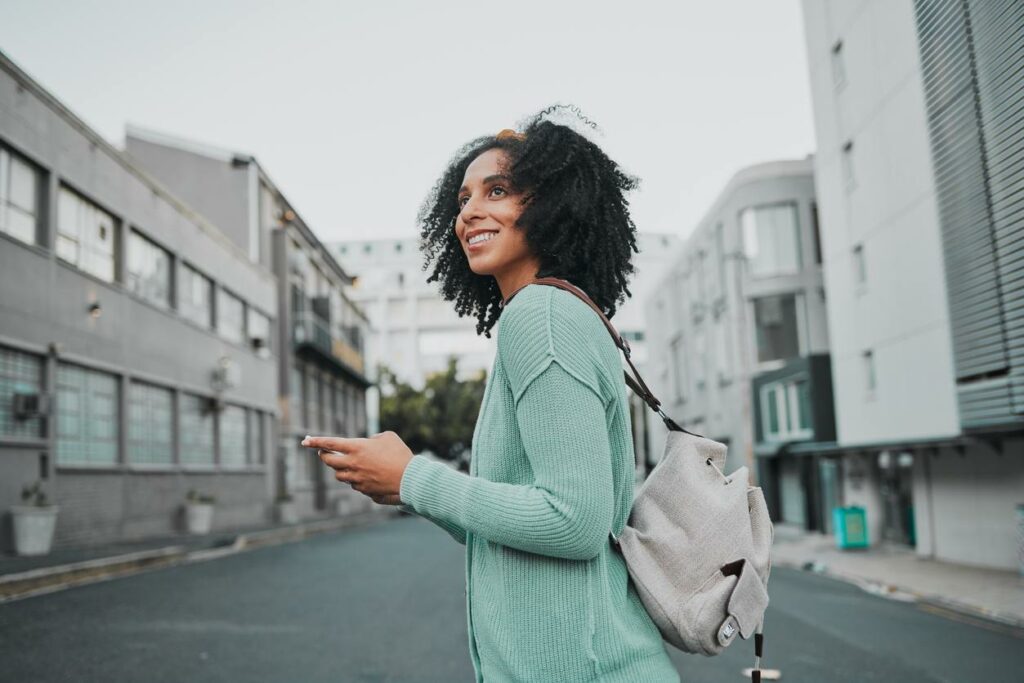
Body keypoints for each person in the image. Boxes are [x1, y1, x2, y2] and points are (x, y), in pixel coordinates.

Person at [302, 105, 681, 682]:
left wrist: (414, 477)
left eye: (498, 190)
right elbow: (523, 525)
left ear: (554, 204)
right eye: (462, 199)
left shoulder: (542, 316)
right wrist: (404, 486)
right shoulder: (551, 315)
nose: (470, 212)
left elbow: (574, 522)